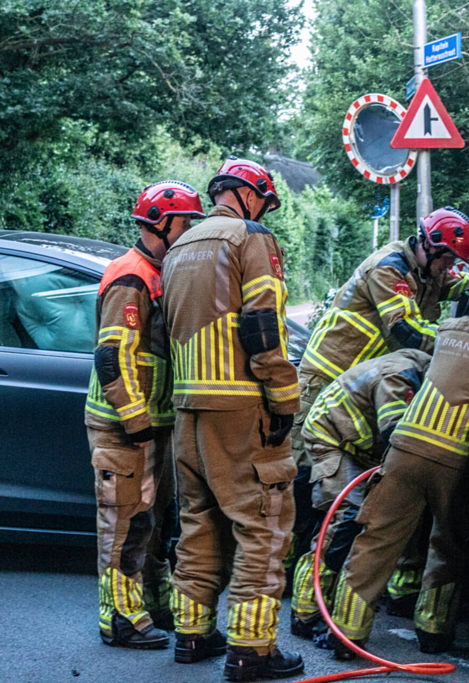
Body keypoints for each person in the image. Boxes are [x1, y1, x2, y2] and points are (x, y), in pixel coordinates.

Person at [290, 208, 469, 592]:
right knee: (307, 481)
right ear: (427, 244)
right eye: (446, 257)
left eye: (453, 261)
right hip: (325, 378)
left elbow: (462, 286)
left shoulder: (430, 272)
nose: (449, 267)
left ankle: (333, 569)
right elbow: (406, 331)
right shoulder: (390, 268)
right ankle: (289, 573)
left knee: (355, 486)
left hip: (363, 386)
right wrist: (464, 345)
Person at [161, 157, 305, 681]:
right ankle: (252, 652)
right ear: (250, 196)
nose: (265, 211)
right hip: (242, 406)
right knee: (262, 525)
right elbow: (263, 325)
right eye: (264, 202)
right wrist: (285, 401)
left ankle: (192, 634)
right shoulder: (250, 238)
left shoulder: (179, 245)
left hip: (188, 411)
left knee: (199, 522)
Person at [328, 288, 469, 657]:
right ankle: (434, 633)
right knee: (448, 547)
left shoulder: (449, 329)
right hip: (455, 461)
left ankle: (346, 635)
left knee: (376, 540)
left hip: (404, 450)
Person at [84, 181, 205, 650]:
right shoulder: (131, 275)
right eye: (185, 221)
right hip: (123, 426)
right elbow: (112, 358)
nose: (189, 228)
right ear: (162, 222)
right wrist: (135, 423)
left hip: (151, 425)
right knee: (123, 526)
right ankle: (119, 618)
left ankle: (152, 604)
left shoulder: (158, 271)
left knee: (149, 523)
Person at [289, 348, 431, 638]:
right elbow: (395, 434)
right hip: (332, 438)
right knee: (342, 519)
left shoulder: (417, 373)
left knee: (353, 521)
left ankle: (329, 601)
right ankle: (304, 613)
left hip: (358, 447)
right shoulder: (400, 374)